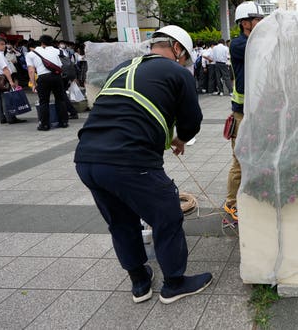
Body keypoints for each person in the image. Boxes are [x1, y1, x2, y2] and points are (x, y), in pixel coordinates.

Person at [74, 25, 212, 305]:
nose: (184, 62)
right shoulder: (177, 73)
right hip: (130, 160)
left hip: (87, 158)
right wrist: (181, 139)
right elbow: (192, 121)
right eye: (184, 57)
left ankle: (140, 282)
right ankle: (174, 282)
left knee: (121, 221)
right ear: (177, 49)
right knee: (167, 214)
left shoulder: (122, 66)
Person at [224, 1, 264, 222]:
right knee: (240, 161)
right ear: (244, 23)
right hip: (242, 114)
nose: (260, 24)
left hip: (259, 112)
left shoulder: (257, 41)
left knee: (257, 158)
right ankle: (231, 204)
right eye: (256, 20)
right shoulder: (240, 44)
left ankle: (251, 197)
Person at [26, 35, 69, 131]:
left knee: (44, 101)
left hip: (43, 78)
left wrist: (33, 84)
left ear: (41, 43)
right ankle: (64, 122)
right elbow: (62, 64)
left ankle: (44, 125)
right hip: (57, 77)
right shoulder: (57, 51)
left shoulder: (31, 54)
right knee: (60, 99)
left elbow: (31, 70)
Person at [0, 34, 26, 124]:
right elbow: (5, 69)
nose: (4, 46)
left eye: (4, 44)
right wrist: (11, 81)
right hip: (3, 78)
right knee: (6, 97)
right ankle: (10, 117)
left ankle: (1, 118)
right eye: (2, 44)